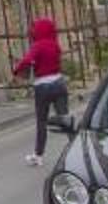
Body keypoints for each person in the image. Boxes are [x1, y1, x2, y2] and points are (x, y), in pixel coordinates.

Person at [9, 15, 66, 165]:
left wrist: (17, 70)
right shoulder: (55, 45)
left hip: (43, 86)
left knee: (42, 122)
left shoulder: (38, 45)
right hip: (59, 83)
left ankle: (38, 155)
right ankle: (77, 148)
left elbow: (28, 60)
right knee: (65, 119)